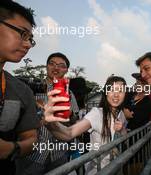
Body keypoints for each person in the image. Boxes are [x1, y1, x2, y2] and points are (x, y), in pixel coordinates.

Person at [44, 76, 127, 175]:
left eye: (120, 91)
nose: (116, 95)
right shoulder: (97, 113)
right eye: (112, 90)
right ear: (106, 92)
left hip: (116, 168)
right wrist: (50, 123)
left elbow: (125, 137)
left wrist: (121, 130)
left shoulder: (121, 113)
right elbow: (68, 133)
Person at [15, 52, 79, 175]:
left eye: (61, 65)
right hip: (32, 154)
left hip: (59, 154)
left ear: (66, 70)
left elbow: (74, 123)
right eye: (52, 64)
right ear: (46, 66)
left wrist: (70, 114)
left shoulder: (69, 94)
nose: (56, 68)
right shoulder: (32, 88)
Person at [0, 1, 39, 175]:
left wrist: (10, 148)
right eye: (23, 34)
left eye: (30, 38)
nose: (28, 45)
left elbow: (31, 139)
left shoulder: (22, 91)